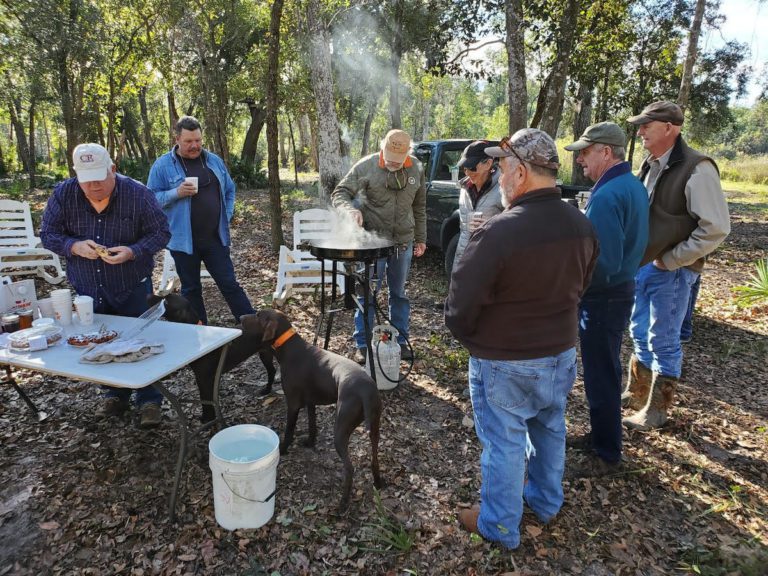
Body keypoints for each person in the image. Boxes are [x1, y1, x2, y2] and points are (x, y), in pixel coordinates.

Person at [445, 128, 598, 549]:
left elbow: (460, 308)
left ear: (520, 174)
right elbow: (581, 285)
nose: (501, 176)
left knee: (504, 442)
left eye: (505, 168)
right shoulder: (582, 226)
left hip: (506, 361)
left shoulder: (498, 232)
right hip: (560, 354)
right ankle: (546, 501)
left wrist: (478, 341)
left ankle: (498, 525)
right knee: (550, 427)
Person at [40, 143, 171, 428]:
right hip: (88, 288)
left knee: (141, 341)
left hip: (132, 284)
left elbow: (161, 232)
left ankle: (150, 401)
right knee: (101, 341)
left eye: (100, 177)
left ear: (113, 169)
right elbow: (48, 234)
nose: (94, 185)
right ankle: (114, 394)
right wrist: (73, 246)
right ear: (76, 175)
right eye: (87, 180)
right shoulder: (64, 194)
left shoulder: (137, 194)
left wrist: (133, 251)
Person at [623, 101, 730, 430]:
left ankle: (656, 411)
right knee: (639, 330)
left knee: (663, 338)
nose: (639, 131)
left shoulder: (698, 168)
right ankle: (638, 393)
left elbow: (716, 228)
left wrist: (672, 259)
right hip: (643, 264)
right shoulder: (650, 162)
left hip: (672, 270)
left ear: (670, 128)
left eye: (646, 125)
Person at [564, 122, 649, 474]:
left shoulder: (608, 195)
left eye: (586, 151)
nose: (580, 159)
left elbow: (604, 262)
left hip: (603, 297)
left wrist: (574, 287)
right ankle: (601, 435)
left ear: (606, 152)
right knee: (605, 369)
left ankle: (607, 453)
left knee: (601, 373)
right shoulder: (632, 186)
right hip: (620, 290)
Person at [147, 116, 255, 325]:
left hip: (215, 237)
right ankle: (199, 332)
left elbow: (230, 189)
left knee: (229, 283)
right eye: (189, 141)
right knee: (191, 289)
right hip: (183, 242)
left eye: (198, 140)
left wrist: (228, 214)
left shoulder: (213, 160)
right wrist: (176, 192)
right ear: (177, 139)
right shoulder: (162, 166)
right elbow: (151, 200)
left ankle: (252, 326)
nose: (194, 145)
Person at [331, 129, 426, 362]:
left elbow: (420, 205)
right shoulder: (367, 166)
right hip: (372, 244)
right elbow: (340, 192)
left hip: (403, 241)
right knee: (367, 294)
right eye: (390, 160)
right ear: (382, 147)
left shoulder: (416, 168)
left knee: (399, 294)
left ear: (408, 155)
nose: (393, 165)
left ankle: (400, 341)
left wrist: (421, 237)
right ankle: (362, 344)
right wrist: (350, 209)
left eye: (398, 162)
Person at [453, 140, 504, 267]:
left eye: (472, 167)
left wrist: (492, 226)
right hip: (464, 259)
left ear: (488, 163)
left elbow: (518, 227)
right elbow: (464, 232)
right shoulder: (464, 188)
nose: (467, 173)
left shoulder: (504, 189)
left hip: (491, 262)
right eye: (465, 168)